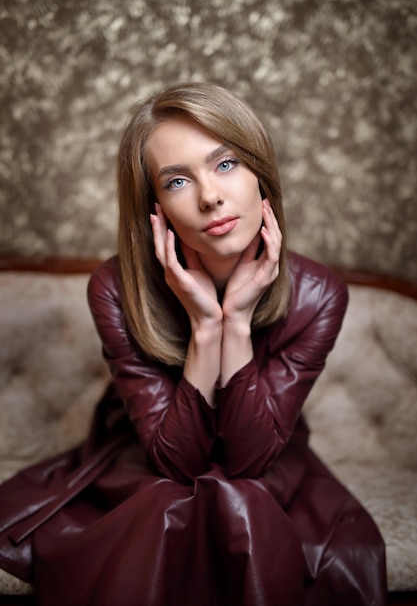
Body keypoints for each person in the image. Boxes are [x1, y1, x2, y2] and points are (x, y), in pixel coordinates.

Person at [0, 82, 387, 606]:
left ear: (261, 176)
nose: (210, 196)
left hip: (269, 460)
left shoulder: (319, 295)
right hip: (144, 457)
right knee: (174, 499)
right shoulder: (114, 289)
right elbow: (175, 461)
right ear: (154, 208)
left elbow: (252, 460)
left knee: (240, 496)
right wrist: (206, 327)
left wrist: (238, 323)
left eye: (226, 164)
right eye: (178, 180)